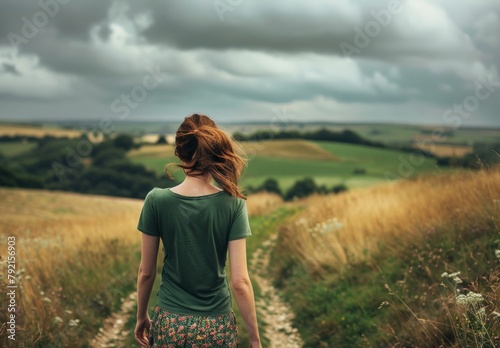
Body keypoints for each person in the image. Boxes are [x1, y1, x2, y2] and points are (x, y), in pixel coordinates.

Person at [134, 114, 262, 347]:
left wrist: (141, 315)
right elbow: (240, 282)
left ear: (179, 152)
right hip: (217, 326)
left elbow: (146, 273)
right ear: (214, 152)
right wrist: (254, 339)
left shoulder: (156, 200)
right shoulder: (233, 203)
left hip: (170, 324)